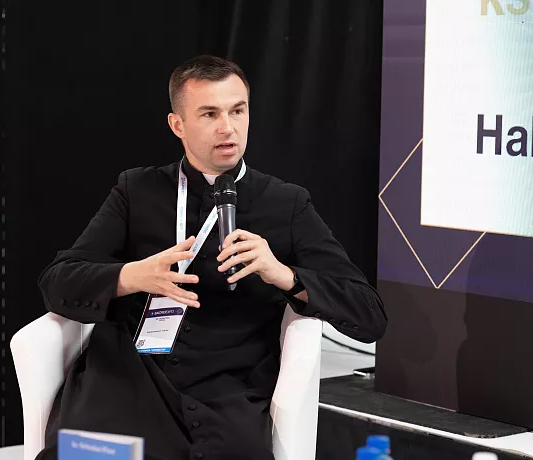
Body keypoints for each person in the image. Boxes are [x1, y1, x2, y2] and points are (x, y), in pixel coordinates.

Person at [35, 55, 387, 460]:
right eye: (209, 114)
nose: (228, 127)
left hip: (228, 386)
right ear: (178, 125)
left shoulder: (285, 203)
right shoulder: (137, 191)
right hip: (132, 374)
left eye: (238, 111)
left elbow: (369, 316)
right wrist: (132, 276)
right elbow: (58, 280)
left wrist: (284, 275)